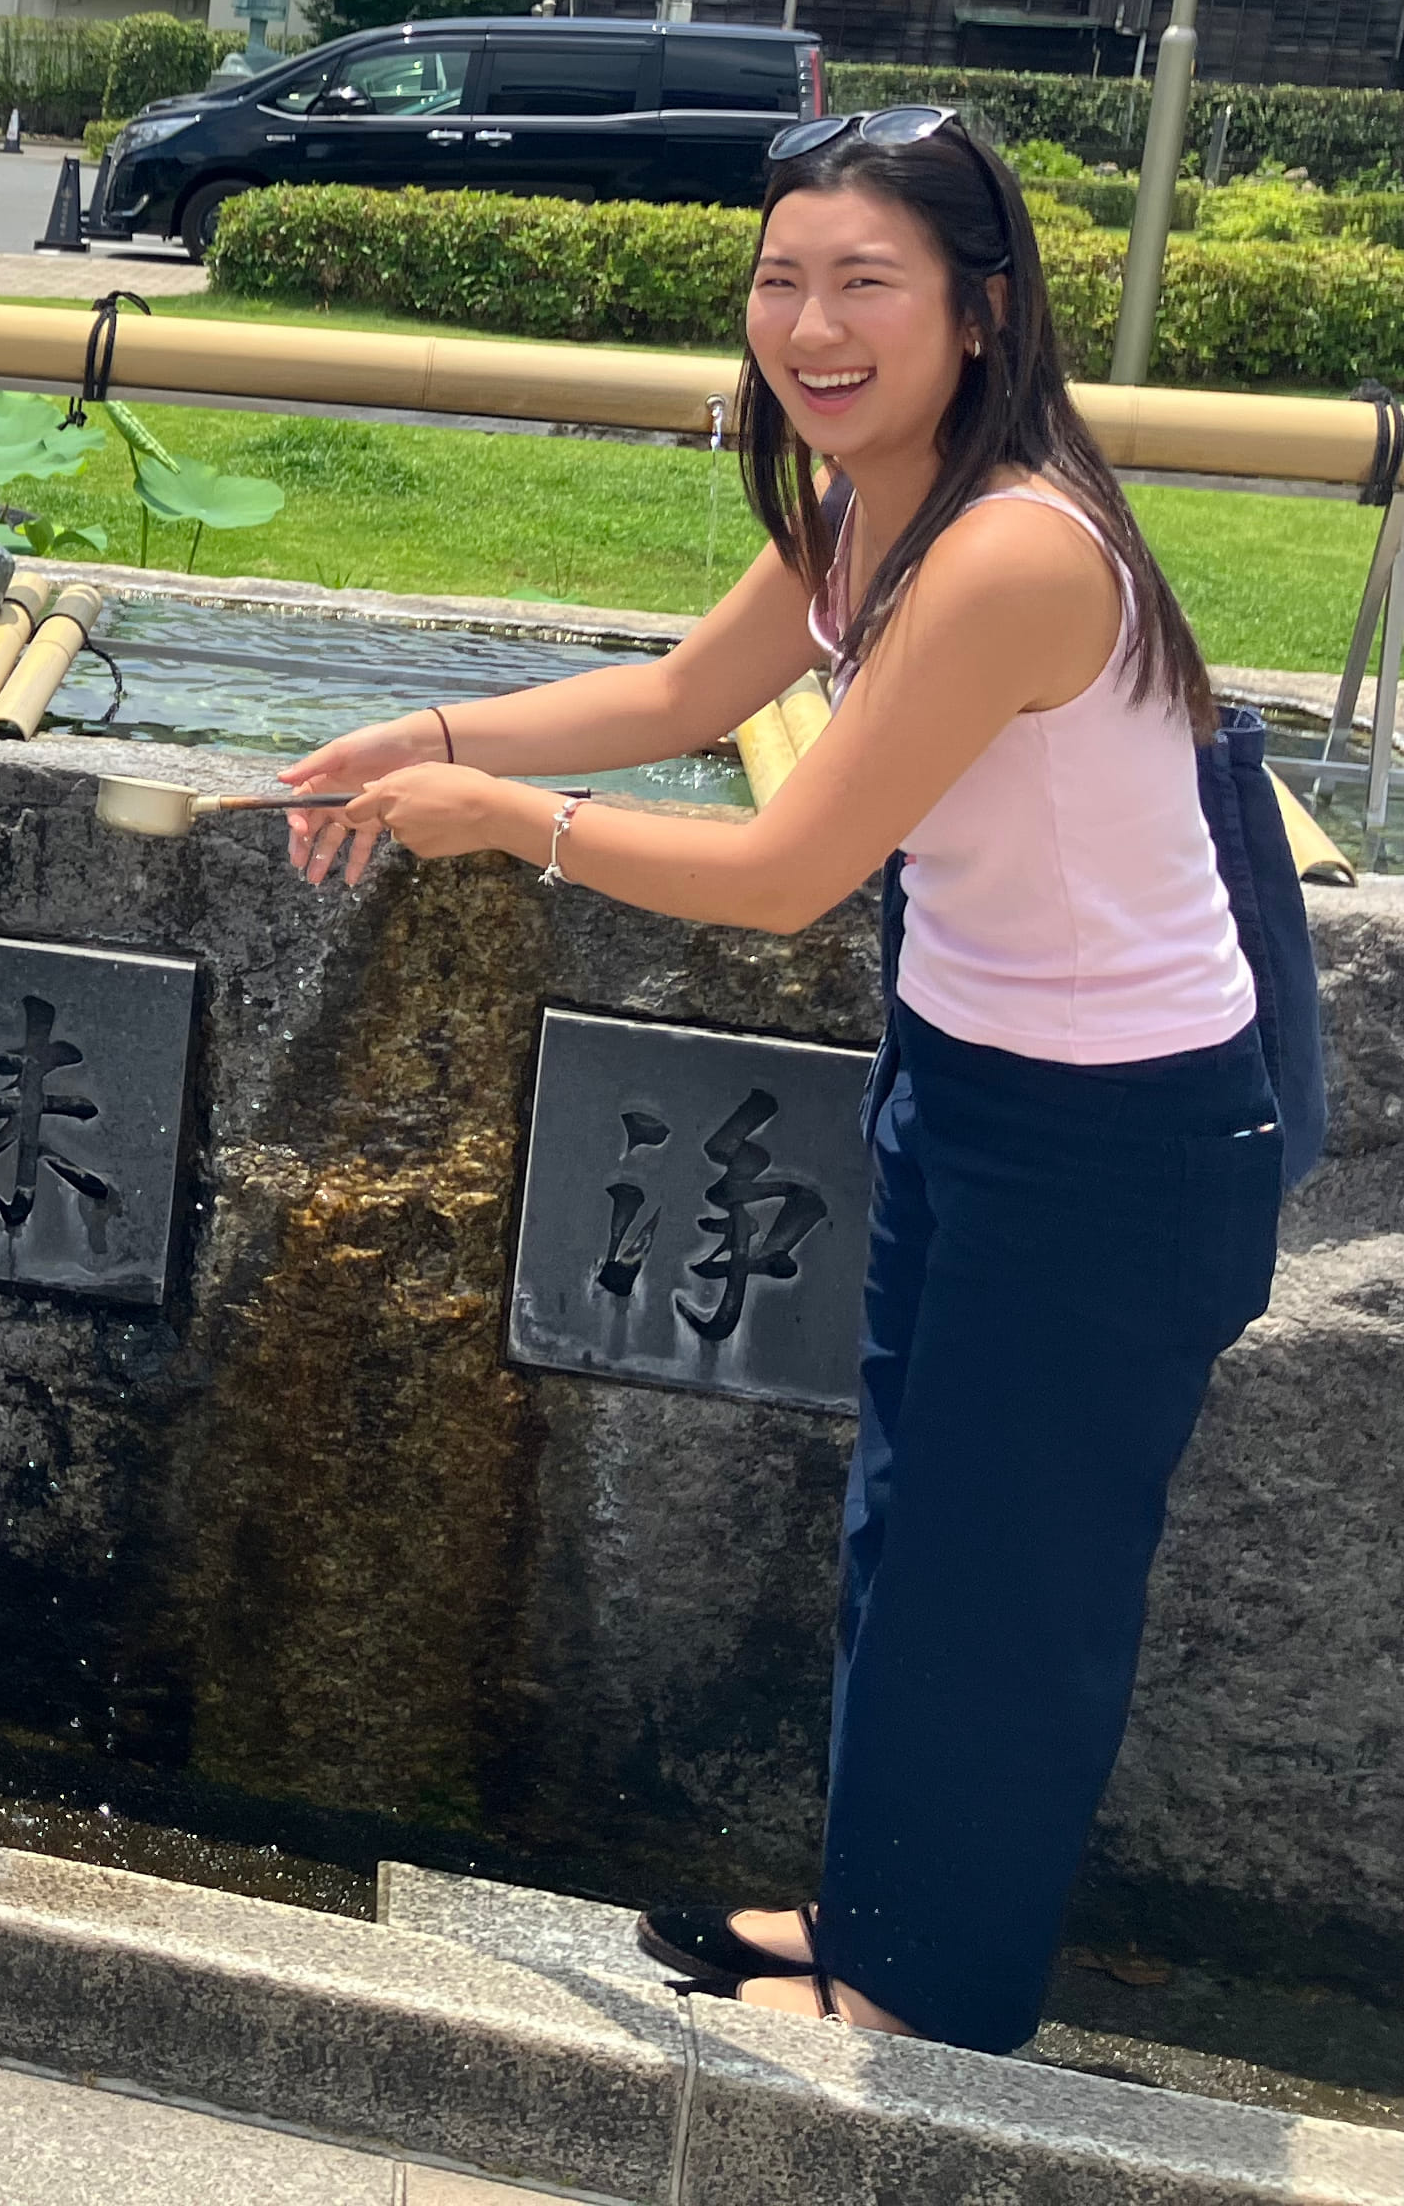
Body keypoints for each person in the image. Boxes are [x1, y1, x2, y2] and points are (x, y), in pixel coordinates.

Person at [274, 108, 1280, 2055]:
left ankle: (935, 2004)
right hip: (976, 1090)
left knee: (1015, 1590)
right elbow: (677, 698)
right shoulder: (863, 508)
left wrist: (502, 817)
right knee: (918, 1538)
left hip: (1121, 1149)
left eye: (864, 283)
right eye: (780, 280)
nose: (809, 325)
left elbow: (784, 868)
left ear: (980, 313)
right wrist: (415, 730)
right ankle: (876, 1928)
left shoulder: (1007, 550)